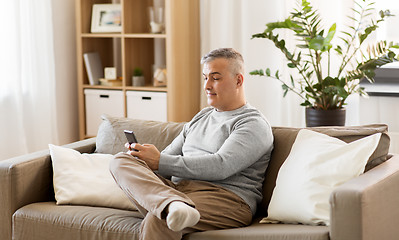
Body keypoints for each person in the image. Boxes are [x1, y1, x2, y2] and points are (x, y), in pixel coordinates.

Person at [109, 48, 274, 240]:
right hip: (179, 192)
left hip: (226, 199)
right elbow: (165, 160)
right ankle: (172, 205)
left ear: (238, 80)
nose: (207, 86)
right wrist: (142, 159)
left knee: (159, 220)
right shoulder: (202, 116)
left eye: (216, 78)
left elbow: (222, 166)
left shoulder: (252, 123)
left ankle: (171, 207)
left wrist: (159, 161)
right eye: (205, 78)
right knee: (120, 161)